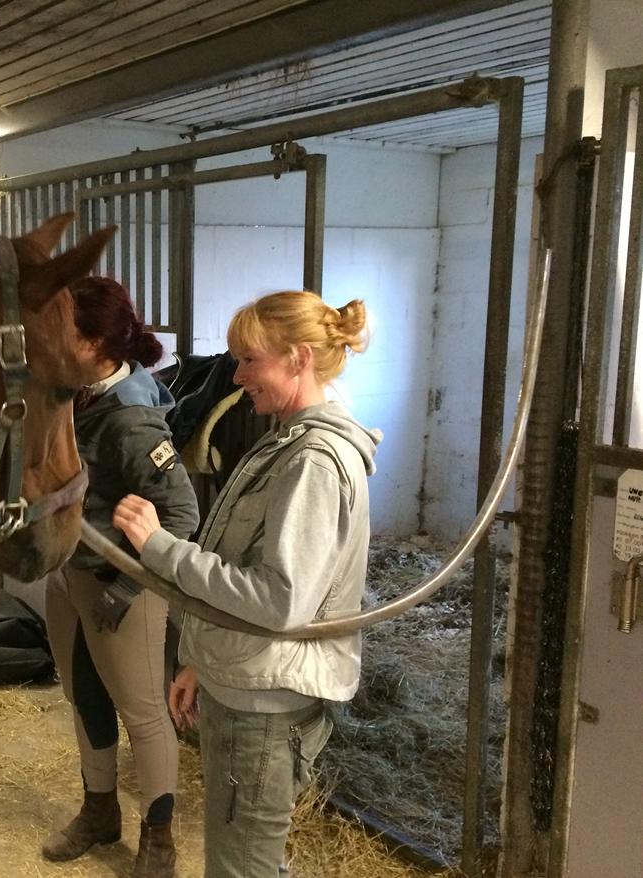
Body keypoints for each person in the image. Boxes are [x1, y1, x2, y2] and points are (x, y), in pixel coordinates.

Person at [112, 290, 381, 878]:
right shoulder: (286, 439)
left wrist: (160, 548)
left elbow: (277, 599)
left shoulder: (312, 460)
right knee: (247, 859)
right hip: (249, 681)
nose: (236, 375)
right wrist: (201, 661)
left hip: (268, 705)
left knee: (241, 868)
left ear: (299, 358)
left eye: (249, 360)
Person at [43, 275, 200, 878]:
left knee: (144, 713)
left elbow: (182, 513)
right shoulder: (79, 393)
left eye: (66, 336)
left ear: (96, 343)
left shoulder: (132, 419)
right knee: (84, 696)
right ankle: (99, 811)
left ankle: (158, 844)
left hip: (118, 583)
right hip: (73, 572)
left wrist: (132, 584)